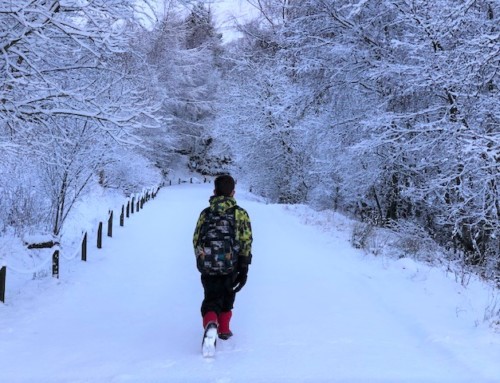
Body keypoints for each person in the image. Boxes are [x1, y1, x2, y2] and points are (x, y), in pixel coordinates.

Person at [193, 174, 253, 344]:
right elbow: (246, 240)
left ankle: (211, 323)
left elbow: (196, 239)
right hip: (231, 263)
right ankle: (224, 330)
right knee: (228, 294)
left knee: (211, 297)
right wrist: (244, 266)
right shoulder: (240, 214)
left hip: (208, 263)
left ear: (214, 191)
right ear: (233, 193)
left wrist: (202, 258)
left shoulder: (206, 213)